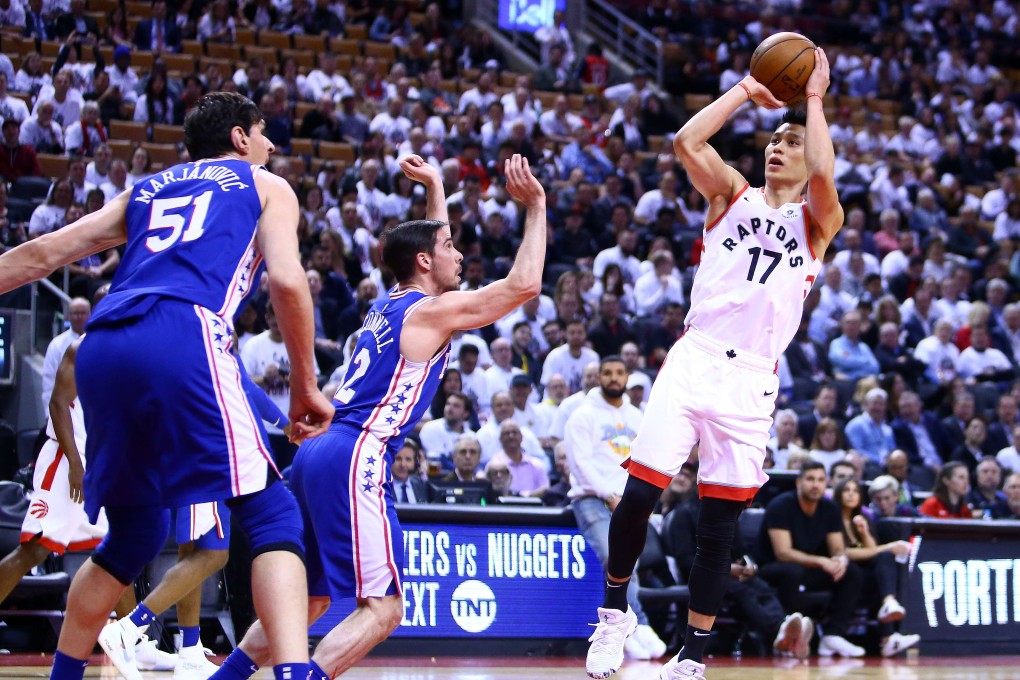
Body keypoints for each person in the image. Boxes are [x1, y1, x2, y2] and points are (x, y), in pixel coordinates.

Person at [0, 91, 335, 680]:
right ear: (239, 139)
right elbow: (286, 279)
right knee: (272, 513)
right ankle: (291, 673)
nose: (271, 145)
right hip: (184, 328)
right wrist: (306, 384)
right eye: (263, 133)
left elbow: (44, 253)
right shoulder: (264, 185)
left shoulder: (150, 187)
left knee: (136, 532)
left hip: (102, 342)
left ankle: (65, 675)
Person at [212, 153, 547, 679]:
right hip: (357, 453)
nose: (458, 252)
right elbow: (524, 286)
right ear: (422, 262)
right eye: (449, 247)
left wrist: (436, 185)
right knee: (386, 608)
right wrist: (536, 208)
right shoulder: (432, 313)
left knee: (310, 600)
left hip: (318, 452)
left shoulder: (389, 304)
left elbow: (429, 246)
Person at [585, 49, 843, 680]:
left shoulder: (817, 222)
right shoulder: (730, 193)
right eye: (773, 141)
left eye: (792, 142)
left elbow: (827, 172)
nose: (778, 148)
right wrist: (745, 90)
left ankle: (694, 654)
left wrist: (811, 102)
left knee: (718, 522)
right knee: (639, 495)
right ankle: (614, 614)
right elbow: (684, 140)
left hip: (752, 379)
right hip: (695, 356)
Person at [565, 356, 667, 661]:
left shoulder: (638, 416)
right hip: (592, 499)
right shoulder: (582, 415)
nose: (613, 378)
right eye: (607, 373)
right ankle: (636, 626)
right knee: (614, 558)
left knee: (628, 560)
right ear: (598, 377)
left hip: (630, 500)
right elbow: (579, 463)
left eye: (618, 373)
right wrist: (608, 494)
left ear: (627, 377)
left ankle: (626, 628)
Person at [758, 462, 865, 658]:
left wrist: (840, 560)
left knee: (852, 573)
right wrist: (822, 561)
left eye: (820, 480)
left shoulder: (830, 508)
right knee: (792, 571)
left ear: (827, 483)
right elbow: (783, 553)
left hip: (809, 567)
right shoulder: (780, 506)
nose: (815, 485)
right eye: (810, 479)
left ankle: (833, 635)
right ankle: (789, 635)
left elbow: (837, 548)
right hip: (773, 567)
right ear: (799, 482)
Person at [831, 478, 919, 657]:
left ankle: (889, 626)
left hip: (863, 574)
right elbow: (843, 552)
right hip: (843, 573)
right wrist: (887, 547)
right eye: (846, 490)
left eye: (855, 491)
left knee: (885, 562)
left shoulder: (863, 519)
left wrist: (863, 532)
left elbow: (873, 549)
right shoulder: (831, 518)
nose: (850, 494)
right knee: (883, 556)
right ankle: (887, 628)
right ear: (838, 493)